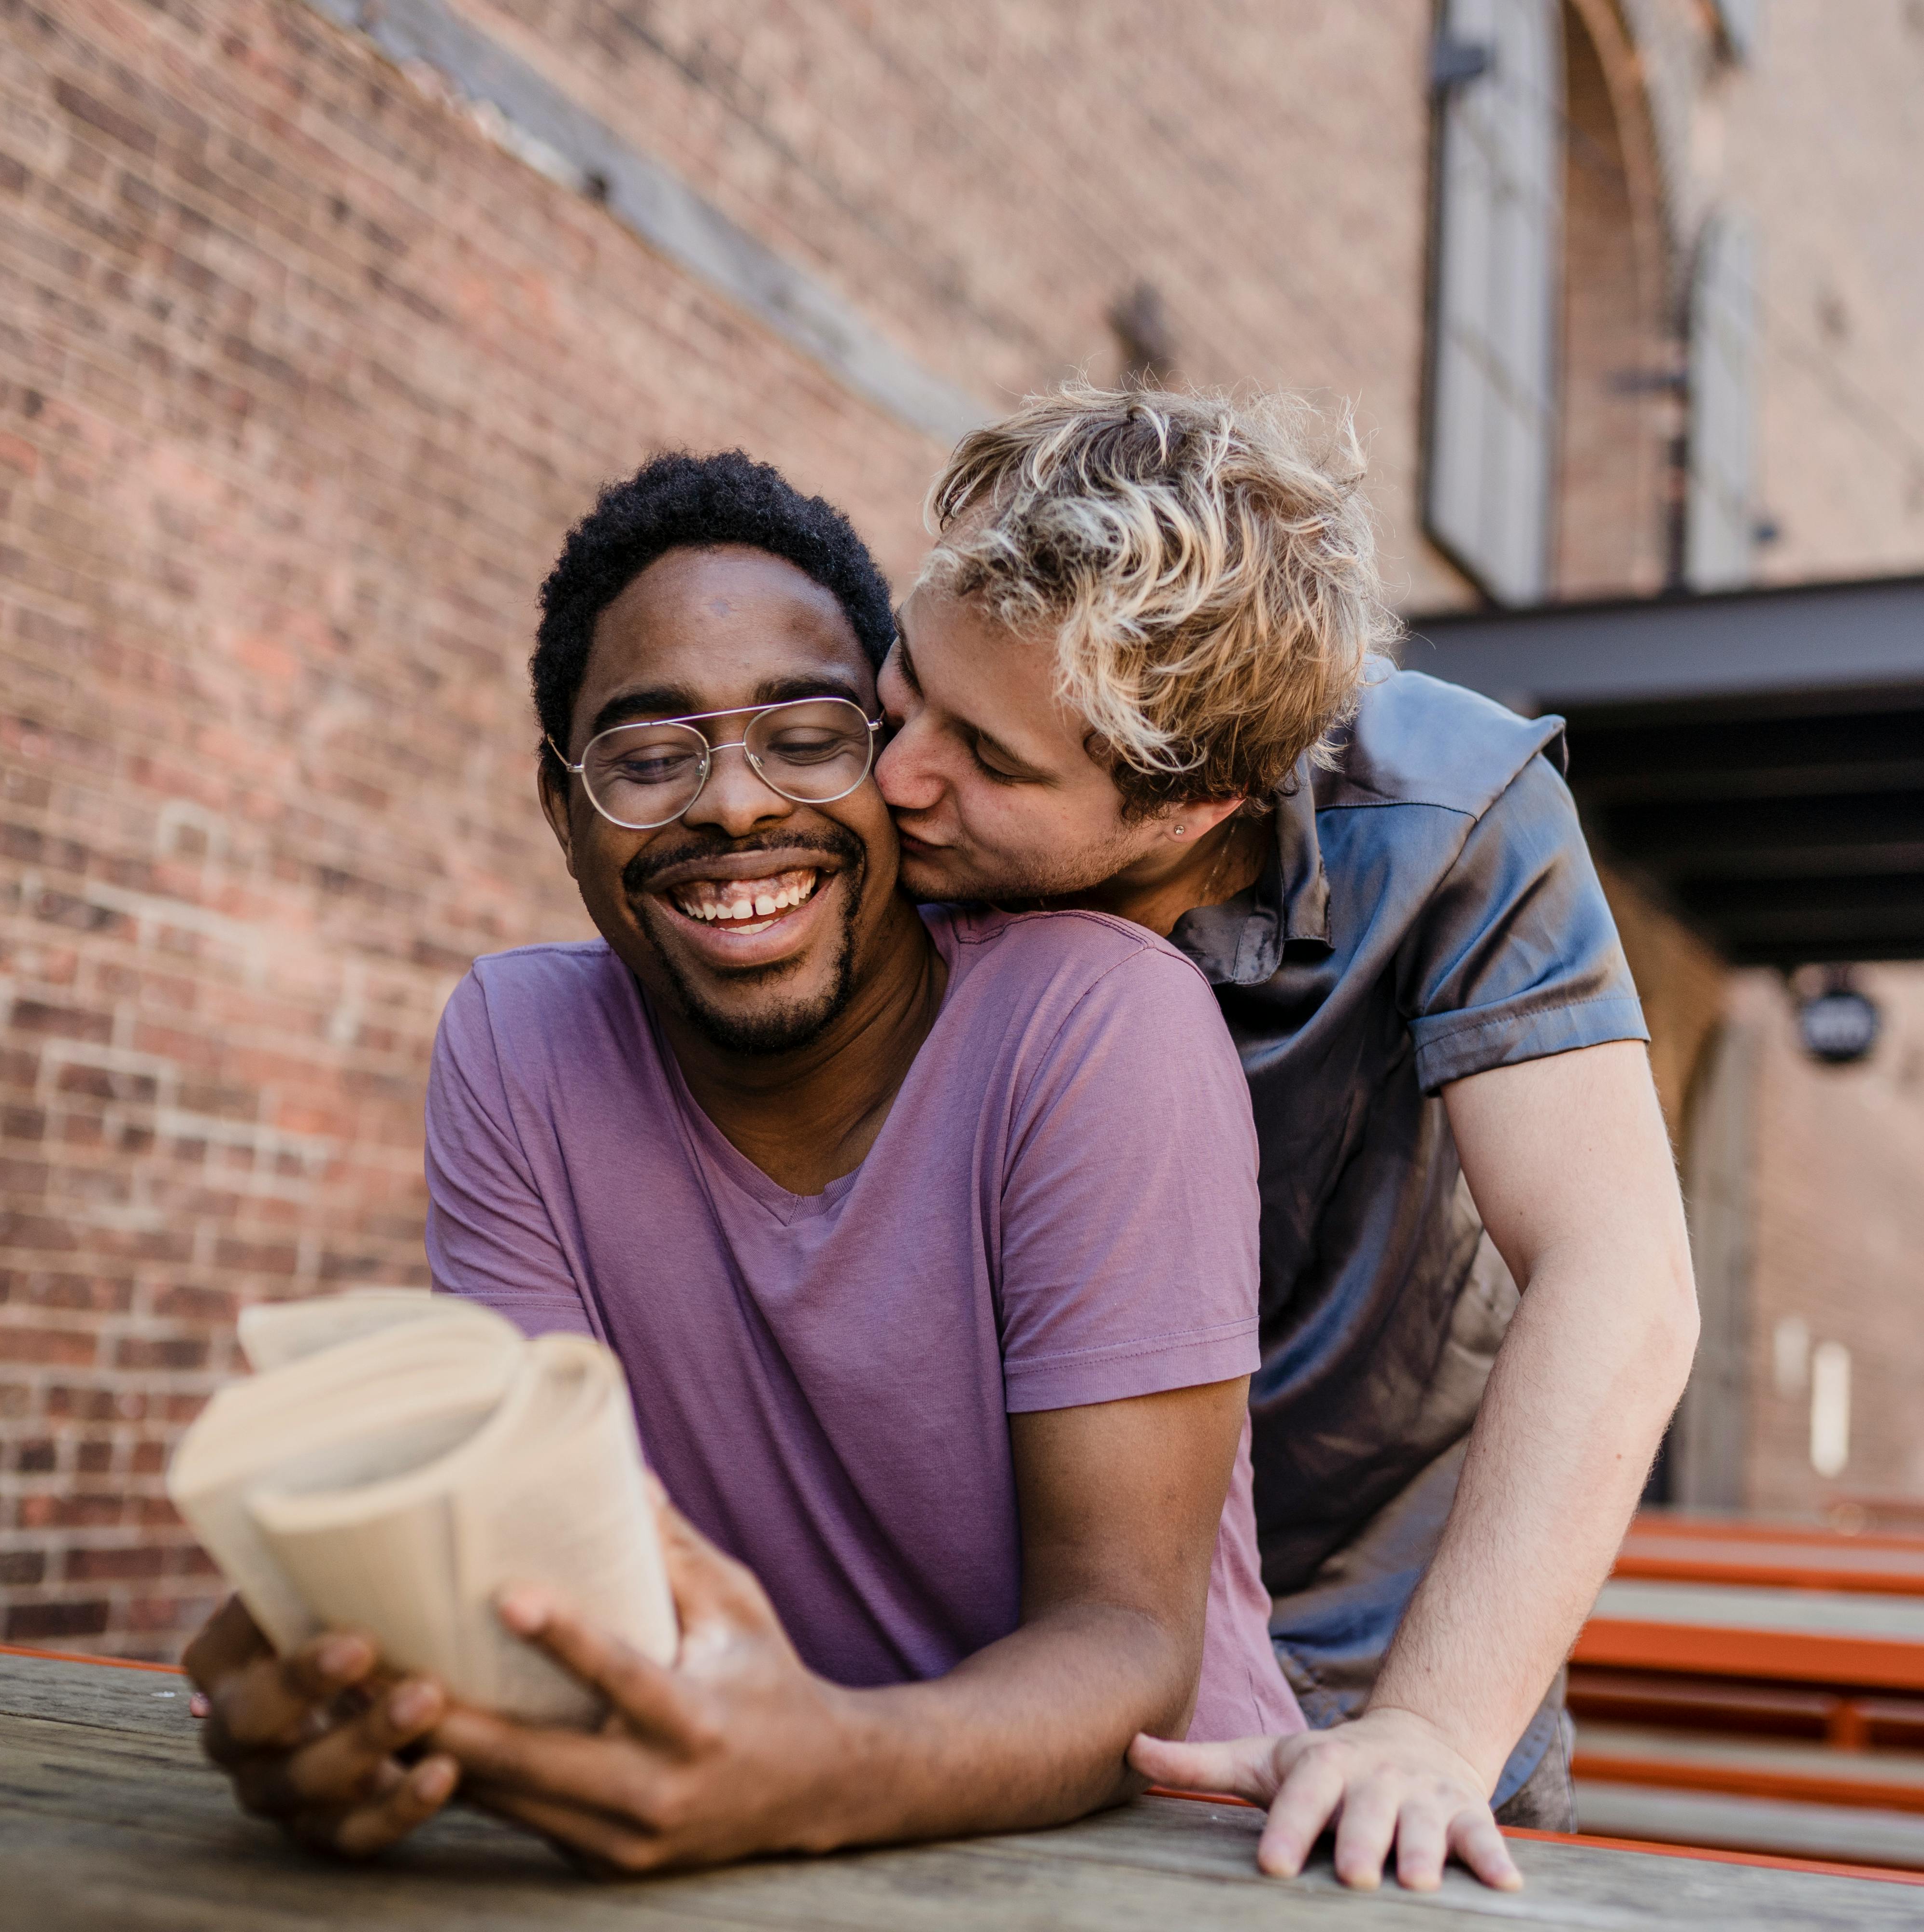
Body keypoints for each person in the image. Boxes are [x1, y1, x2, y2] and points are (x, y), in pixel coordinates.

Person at [183, 451, 1298, 1871]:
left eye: (809, 734)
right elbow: (538, 1562)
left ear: (892, 755)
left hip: (1157, 1857)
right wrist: (357, 1695)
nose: (729, 805)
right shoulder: (517, 1048)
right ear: (561, 806)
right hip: (742, 1845)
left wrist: (826, 1771)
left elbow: (1129, 1638)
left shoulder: (1099, 1023)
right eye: (648, 757)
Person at [869, 386, 1700, 1892]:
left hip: (1376, 1687)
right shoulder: (898, 804)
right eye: (904, 687)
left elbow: (1621, 1272)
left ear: (1200, 805)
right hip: (989, 1672)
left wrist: (1432, 1730)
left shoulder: (1454, 813)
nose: (896, 775)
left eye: (985, 759)